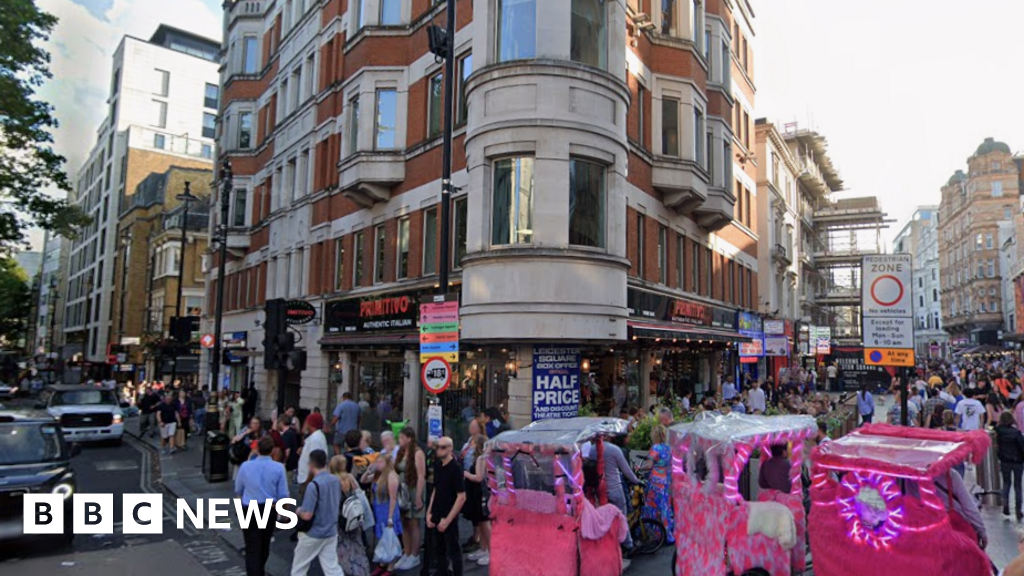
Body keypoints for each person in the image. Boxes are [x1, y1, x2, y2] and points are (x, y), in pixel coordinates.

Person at [235, 436, 289, 576]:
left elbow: (238, 489)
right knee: (264, 545)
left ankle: (254, 572)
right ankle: (259, 571)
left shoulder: (245, 466)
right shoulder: (279, 468)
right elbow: (283, 494)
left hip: (248, 508)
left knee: (251, 546)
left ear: (257, 449)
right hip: (268, 509)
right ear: (272, 451)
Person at [291, 449, 344, 576]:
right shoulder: (336, 480)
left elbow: (307, 514)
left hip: (313, 533)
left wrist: (298, 510)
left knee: (299, 568)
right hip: (331, 531)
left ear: (311, 464)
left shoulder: (313, 485)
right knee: (332, 568)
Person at [426, 437, 466, 576]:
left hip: (450, 514)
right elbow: (435, 489)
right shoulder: (437, 465)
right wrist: (429, 512)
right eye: (438, 447)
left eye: (443, 447)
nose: (439, 450)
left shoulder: (456, 468)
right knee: (439, 549)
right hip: (437, 511)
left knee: (454, 549)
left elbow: (461, 497)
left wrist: (448, 520)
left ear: (450, 448)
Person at [361, 454, 402, 575]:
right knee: (382, 538)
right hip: (378, 510)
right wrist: (368, 470)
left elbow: (393, 498)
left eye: (380, 462)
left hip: (388, 509)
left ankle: (390, 567)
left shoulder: (391, 476)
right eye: (377, 462)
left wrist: (390, 517)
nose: (378, 464)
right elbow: (363, 480)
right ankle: (382, 564)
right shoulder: (378, 476)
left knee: (390, 539)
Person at [329, 455, 371, 576]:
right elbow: (358, 493)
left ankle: (344, 570)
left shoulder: (332, 480)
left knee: (341, 547)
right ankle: (360, 570)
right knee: (356, 545)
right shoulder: (350, 478)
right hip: (352, 515)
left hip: (339, 517)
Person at [395, 427, 426, 570]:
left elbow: (421, 476)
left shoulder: (418, 453)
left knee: (413, 524)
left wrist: (418, 497)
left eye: (402, 438)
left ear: (409, 438)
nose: (399, 440)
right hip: (402, 491)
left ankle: (414, 555)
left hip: (412, 489)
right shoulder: (401, 452)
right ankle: (406, 552)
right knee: (404, 523)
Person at [602, 434, 640, 553]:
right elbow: (626, 470)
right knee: (622, 516)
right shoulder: (614, 449)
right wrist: (636, 481)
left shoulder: (592, 449)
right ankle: (628, 544)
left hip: (600, 490)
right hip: (615, 488)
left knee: (605, 517)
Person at [640, 425, 674, 544]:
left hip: (655, 481)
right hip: (665, 481)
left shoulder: (655, 448)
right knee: (664, 507)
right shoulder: (668, 448)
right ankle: (667, 532)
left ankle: (655, 533)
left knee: (653, 507)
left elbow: (649, 465)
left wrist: (639, 468)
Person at [462, 434, 492, 566]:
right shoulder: (483, 458)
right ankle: (483, 548)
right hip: (478, 493)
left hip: (480, 493)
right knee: (480, 521)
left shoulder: (481, 458)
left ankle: (491, 552)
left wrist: (464, 473)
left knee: (485, 523)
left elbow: (479, 477)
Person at [458, 418, 486, 555]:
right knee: (473, 512)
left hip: (475, 481)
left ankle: (480, 541)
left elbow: (480, 475)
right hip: (468, 479)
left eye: (473, 426)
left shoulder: (482, 444)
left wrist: (466, 474)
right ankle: (476, 537)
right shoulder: (469, 440)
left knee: (480, 515)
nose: (470, 428)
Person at [997, 411, 1024, 522]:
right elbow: (1022, 447)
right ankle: (1018, 509)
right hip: (1017, 461)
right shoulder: (1016, 433)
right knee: (1018, 485)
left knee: (1006, 483)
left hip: (1004, 460)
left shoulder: (998, 432)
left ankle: (1005, 505)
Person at [297, 413, 329, 499]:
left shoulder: (315, 439)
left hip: (309, 480)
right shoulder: (316, 437)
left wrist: (308, 481)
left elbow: (315, 462)